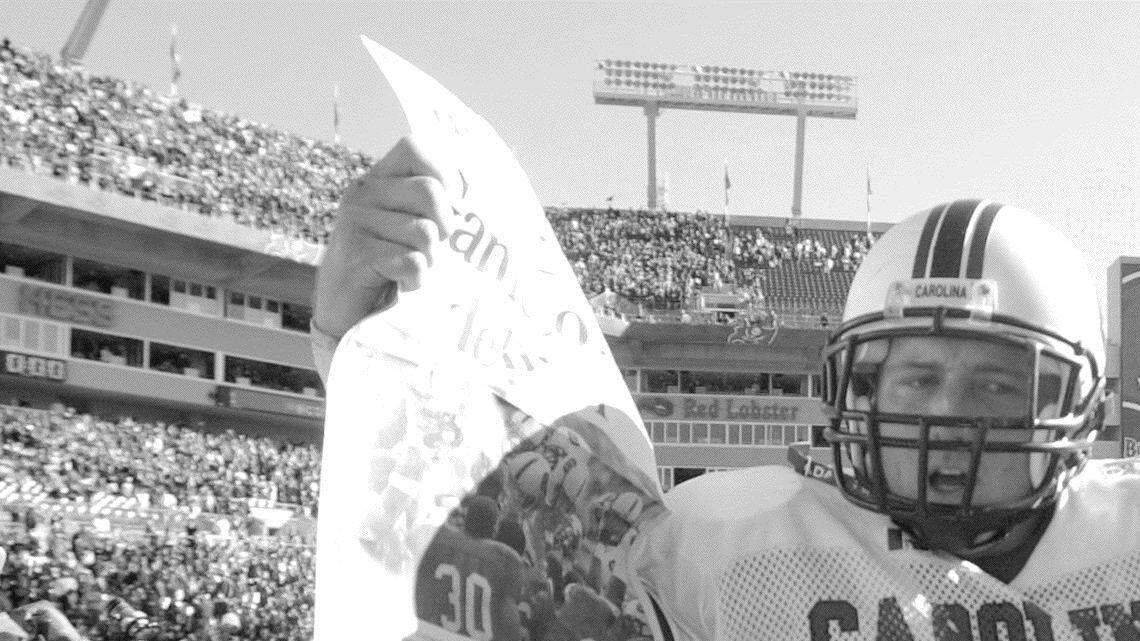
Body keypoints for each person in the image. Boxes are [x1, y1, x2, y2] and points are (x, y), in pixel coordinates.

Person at [311, 139, 1140, 641]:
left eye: (996, 383)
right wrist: (359, 337)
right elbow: (475, 506)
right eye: (918, 377)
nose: (947, 415)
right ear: (854, 388)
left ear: (1080, 410)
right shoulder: (724, 545)